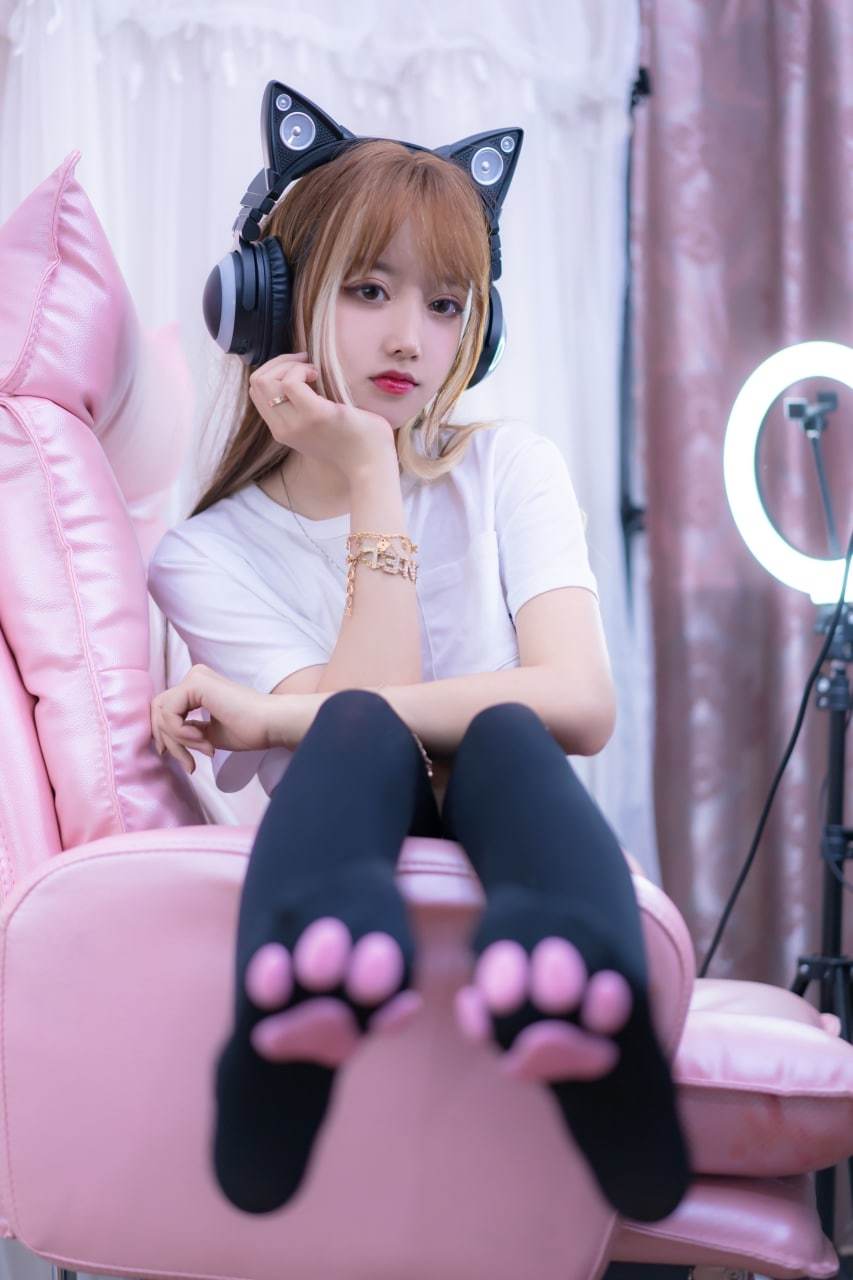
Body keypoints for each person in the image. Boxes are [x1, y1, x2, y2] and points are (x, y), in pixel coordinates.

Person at [147, 139, 691, 1223]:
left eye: (445, 305)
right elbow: (368, 723)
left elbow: (580, 702)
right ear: (272, 303)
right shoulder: (202, 554)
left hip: (515, 813)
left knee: (507, 736)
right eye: (368, 290)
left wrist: (275, 714)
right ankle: (298, 1003)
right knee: (363, 727)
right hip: (350, 828)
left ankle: (582, 999)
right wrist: (369, 476)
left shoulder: (511, 469)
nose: (411, 337)